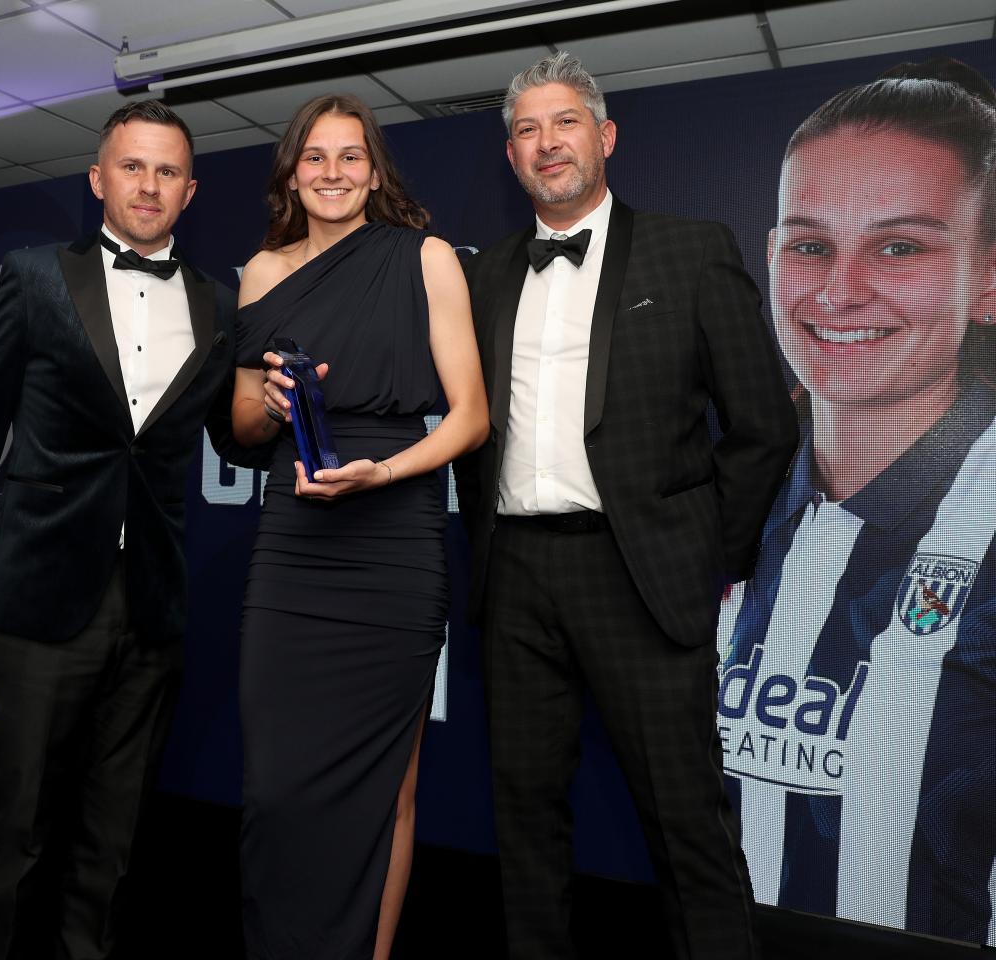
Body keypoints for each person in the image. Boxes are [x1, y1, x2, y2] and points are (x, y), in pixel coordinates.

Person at [453, 52, 798, 959]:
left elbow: (765, 427)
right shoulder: (485, 274)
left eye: (563, 122)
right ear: (510, 156)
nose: (545, 142)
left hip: (638, 575)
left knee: (687, 825)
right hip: (517, 579)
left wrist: (702, 555)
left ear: (603, 137)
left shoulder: (693, 249)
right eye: (526, 130)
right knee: (524, 821)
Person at [0, 100, 247, 960]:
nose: (149, 185)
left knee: (114, 835)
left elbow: (226, 435)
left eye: (167, 171)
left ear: (191, 190)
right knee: (15, 824)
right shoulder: (33, 275)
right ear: (98, 179)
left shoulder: (220, 301)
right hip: (42, 591)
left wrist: (277, 407)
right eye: (132, 167)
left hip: (153, 606)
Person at [717, 58, 996, 946]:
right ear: (772, 257)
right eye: (809, 244)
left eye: (900, 246)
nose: (839, 291)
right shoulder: (731, 494)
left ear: (988, 279)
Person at [231, 94, 487, 959]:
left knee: (388, 788)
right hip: (293, 538)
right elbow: (239, 429)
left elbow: (468, 419)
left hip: (394, 535)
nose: (332, 173)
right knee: (273, 788)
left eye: (350, 157)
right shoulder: (261, 274)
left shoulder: (426, 258)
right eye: (314, 157)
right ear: (291, 173)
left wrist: (384, 470)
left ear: (374, 172)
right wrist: (267, 406)